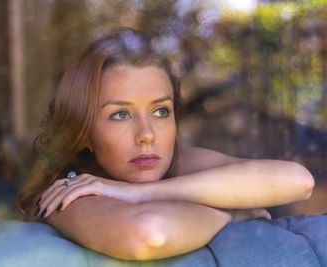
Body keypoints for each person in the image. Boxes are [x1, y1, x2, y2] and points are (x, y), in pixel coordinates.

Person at [16, 27, 315, 260]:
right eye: (120, 114)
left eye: (161, 111)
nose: (147, 134)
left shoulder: (176, 165)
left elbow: (298, 180)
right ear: (84, 133)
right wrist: (238, 212)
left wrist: (141, 192)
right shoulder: (67, 193)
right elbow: (151, 233)